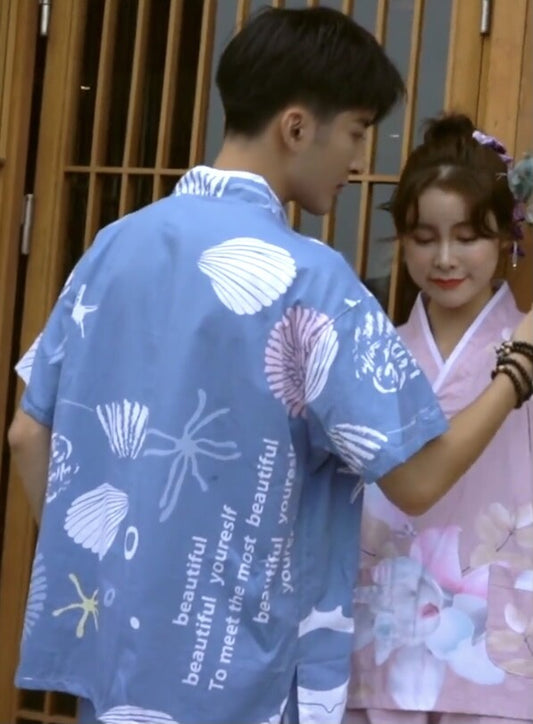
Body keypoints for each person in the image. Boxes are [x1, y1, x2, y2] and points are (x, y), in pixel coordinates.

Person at [7, 8, 533, 724]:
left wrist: (114, 572)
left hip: (121, 657)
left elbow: (28, 435)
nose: (357, 161)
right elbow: (416, 479)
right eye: (355, 132)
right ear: (296, 128)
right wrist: (517, 367)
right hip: (241, 665)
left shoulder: (112, 248)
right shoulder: (311, 282)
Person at [343, 114, 533, 724]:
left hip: (500, 647)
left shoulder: (524, 341)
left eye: (468, 236)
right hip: (381, 640)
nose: (445, 258)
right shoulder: (376, 351)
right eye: (424, 237)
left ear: (506, 237)